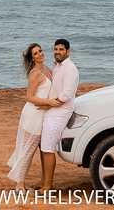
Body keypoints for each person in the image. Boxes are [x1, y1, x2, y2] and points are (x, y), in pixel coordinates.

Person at [7, 43, 55, 190]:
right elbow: (29, 97)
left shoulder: (46, 68)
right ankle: (19, 184)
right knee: (27, 150)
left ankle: (42, 181)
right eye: (36, 53)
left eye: (40, 51)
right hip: (33, 115)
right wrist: (48, 102)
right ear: (32, 58)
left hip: (42, 114)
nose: (40, 54)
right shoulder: (35, 73)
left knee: (40, 148)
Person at [40, 39, 78, 192]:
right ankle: (43, 181)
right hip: (51, 111)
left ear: (68, 52)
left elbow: (67, 94)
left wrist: (48, 103)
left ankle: (48, 187)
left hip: (60, 113)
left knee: (48, 148)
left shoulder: (70, 69)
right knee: (43, 147)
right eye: (55, 49)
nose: (57, 52)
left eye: (61, 49)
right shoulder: (59, 67)